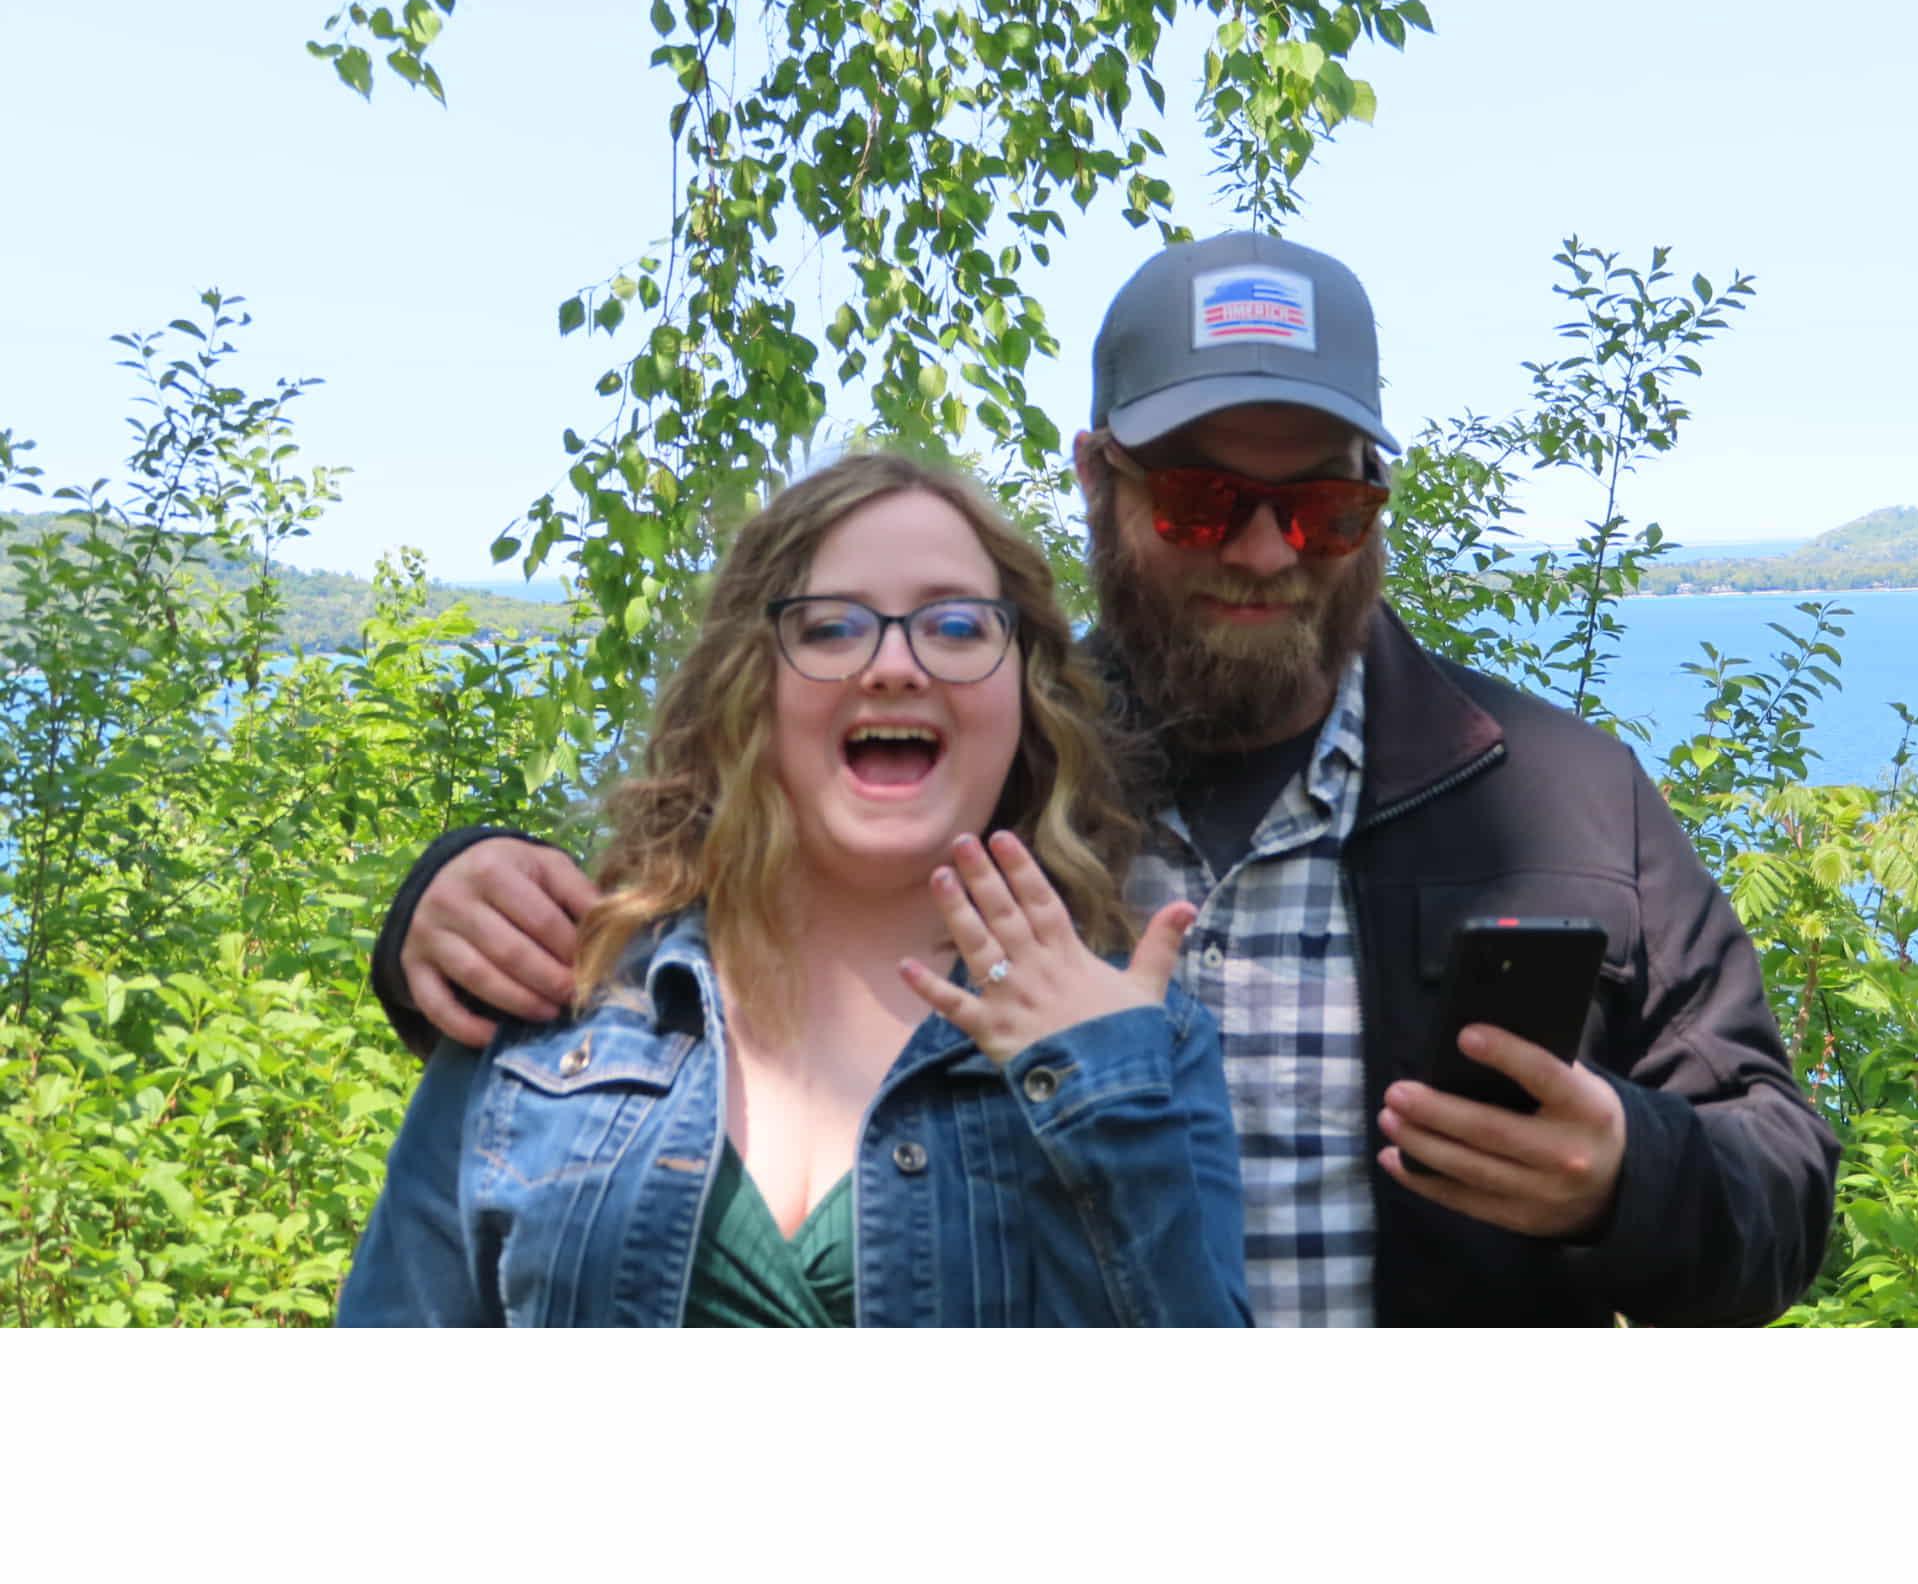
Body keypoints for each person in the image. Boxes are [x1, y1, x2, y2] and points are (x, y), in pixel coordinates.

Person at [371, 231, 1841, 1327]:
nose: (1264, 551)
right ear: (1099, 483)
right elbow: (721, 883)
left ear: (1375, 504)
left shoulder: (1565, 802)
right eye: (1204, 500)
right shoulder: (991, 759)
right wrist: (457, 894)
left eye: (1321, 504)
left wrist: (1624, 1179)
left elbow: (1783, 1181)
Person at [339, 452, 1251, 1327]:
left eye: (959, 626)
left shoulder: (1146, 1043)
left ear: (1028, 695)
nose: (896, 664)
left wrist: (1105, 1110)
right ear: (749, 685)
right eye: (831, 626)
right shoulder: (551, 1002)